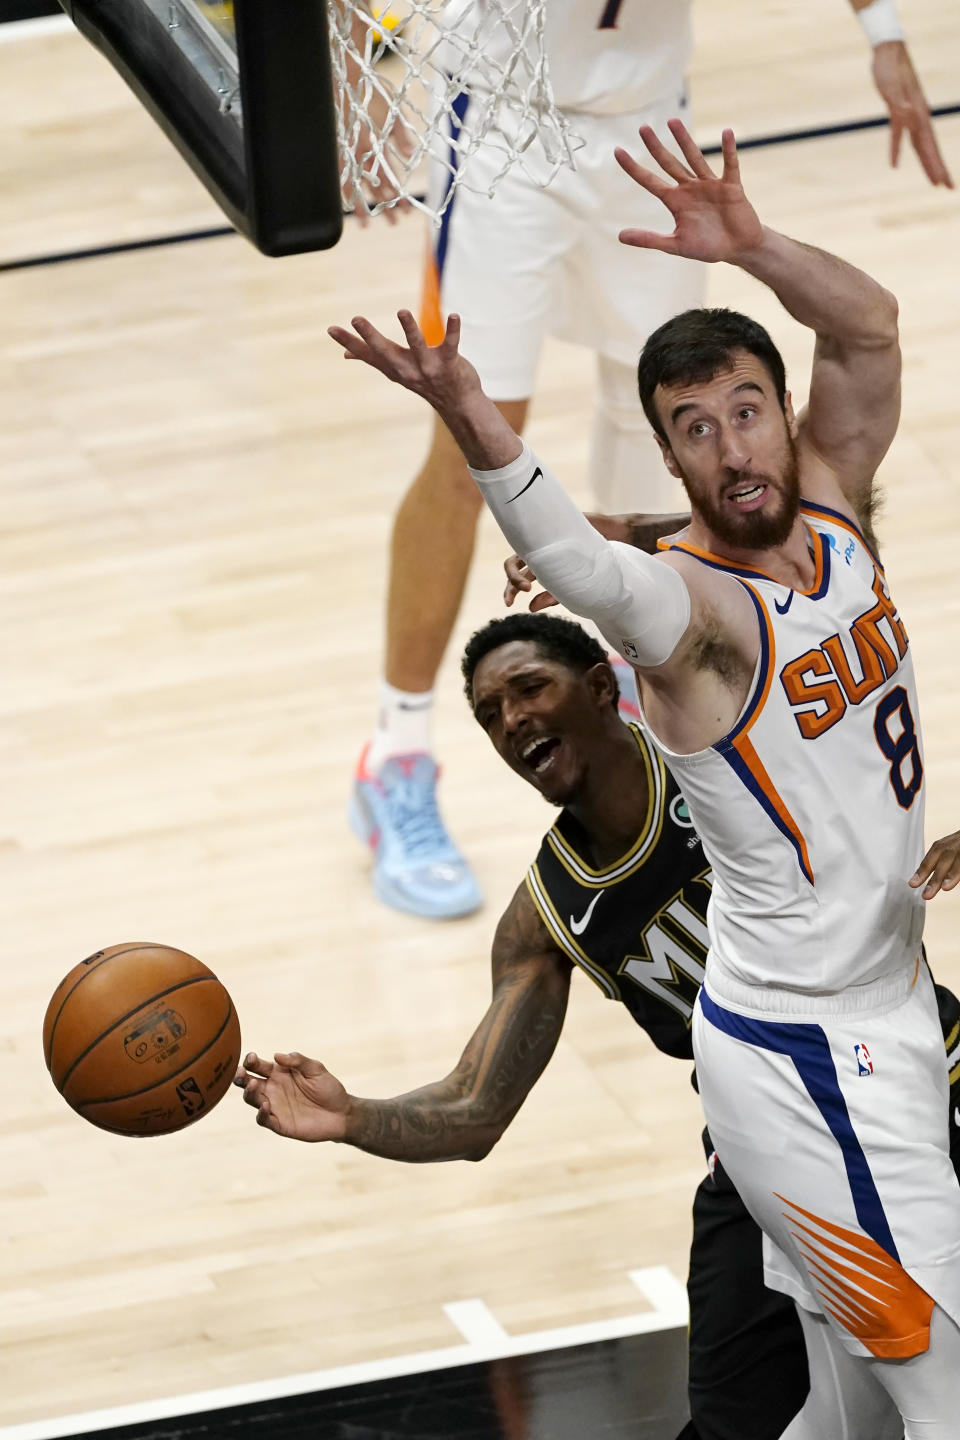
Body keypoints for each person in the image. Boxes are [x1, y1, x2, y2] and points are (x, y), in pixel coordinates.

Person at [325, 119, 960, 1433]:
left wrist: (756, 245)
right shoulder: (694, 618)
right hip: (809, 1051)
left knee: (850, 1401)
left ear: (781, 419)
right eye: (693, 430)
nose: (731, 449)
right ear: (668, 458)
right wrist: (477, 424)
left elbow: (875, 330)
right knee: (941, 1380)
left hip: (883, 1000)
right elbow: (585, 561)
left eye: (745, 413)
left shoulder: (835, 501)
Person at [238, 611, 960, 1438]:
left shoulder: (723, 763)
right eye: (489, 714)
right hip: (763, 1144)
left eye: (529, 689)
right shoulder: (548, 913)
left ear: (603, 687)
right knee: (736, 1424)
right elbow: (476, 1110)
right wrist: (352, 1117)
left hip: (908, 1075)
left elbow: (769, 610)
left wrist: (602, 542)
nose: (511, 720)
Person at [348, 0, 952, 922]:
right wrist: (354, 76)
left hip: (646, 127)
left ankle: (656, 741)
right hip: (507, 129)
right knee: (465, 443)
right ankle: (395, 755)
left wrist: (885, 36)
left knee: (663, 432)